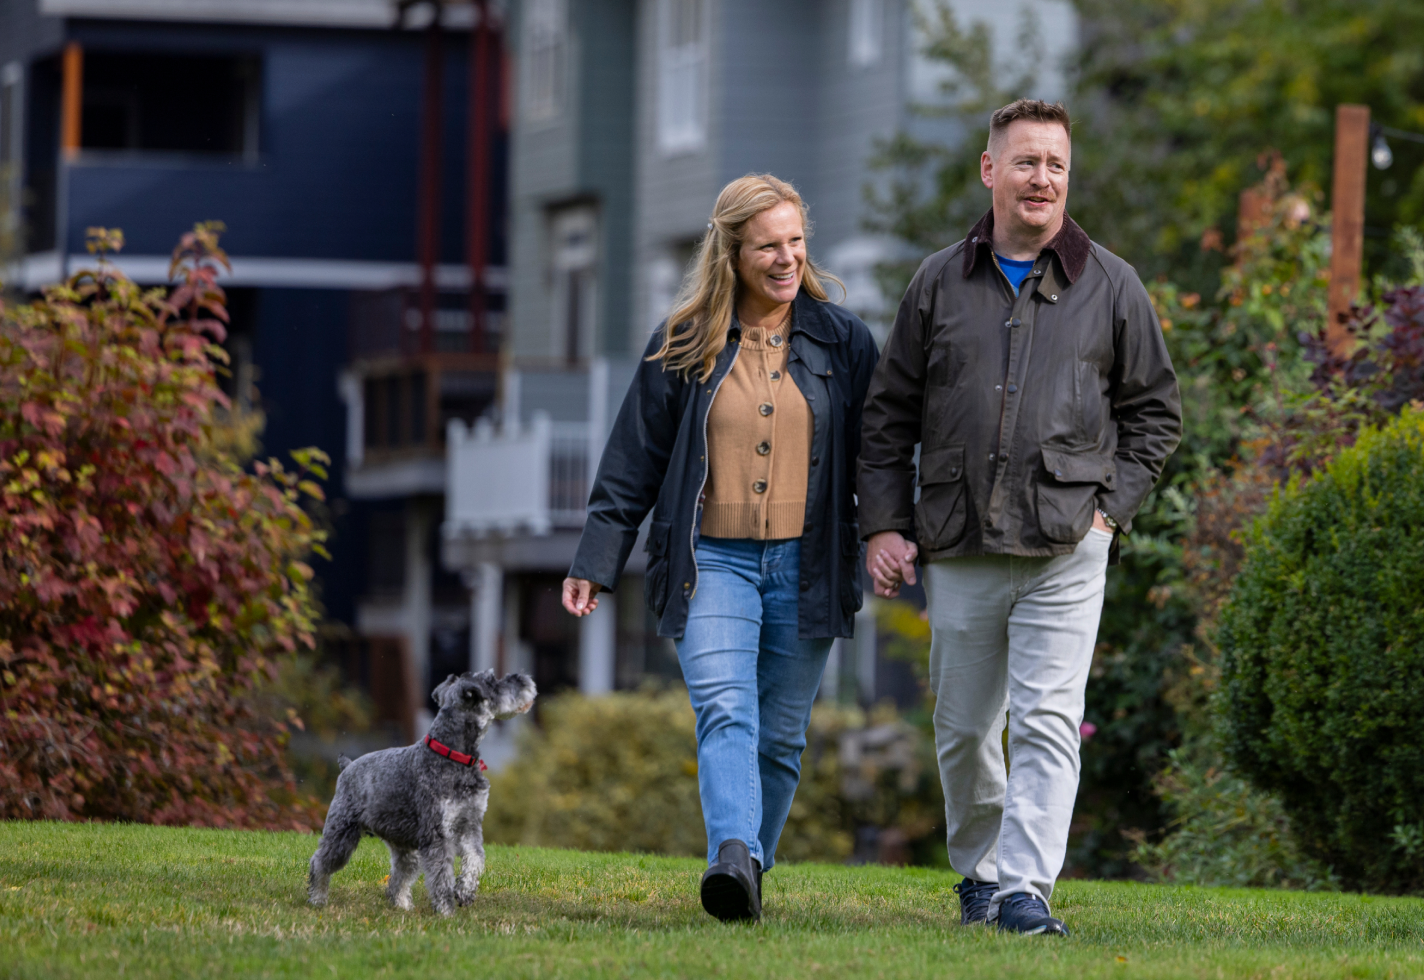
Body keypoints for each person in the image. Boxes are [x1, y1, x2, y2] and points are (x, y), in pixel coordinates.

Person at [858, 100, 1181, 936]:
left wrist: (1111, 513)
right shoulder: (937, 282)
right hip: (959, 542)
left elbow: (1155, 414)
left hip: (1070, 543)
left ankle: (1026, 891)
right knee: (965, 730)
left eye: (1057, 166)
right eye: (1027, 162)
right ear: (989, 170)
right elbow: (889, 414)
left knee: (1045, 719)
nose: (1043, 179)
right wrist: (885, 525)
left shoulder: (1111, 284)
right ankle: (982, 872)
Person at [562, 174, 878, 922]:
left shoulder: (844, 340)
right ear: (731, 251)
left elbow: (878, 451)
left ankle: (744, 875)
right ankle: (732, 852)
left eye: (796, 242)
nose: (786, 258)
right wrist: (596, 558)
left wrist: (894, 534)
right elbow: (632, 459)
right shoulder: (683, 340)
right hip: (713, 562)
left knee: (780, 739)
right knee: (726, 710)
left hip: (808, 564)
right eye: (768, 245)